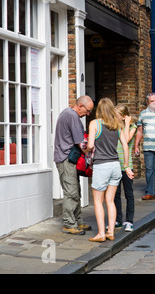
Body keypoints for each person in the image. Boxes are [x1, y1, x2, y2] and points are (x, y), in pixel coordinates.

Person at [86, 98, 134, 242]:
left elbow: (90, 145)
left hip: (102, 165)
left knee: (98, 201)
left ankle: (101, 233)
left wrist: (85, 149)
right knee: (110, 201)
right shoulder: (117, 125)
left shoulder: (94, 124)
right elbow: (125, 146)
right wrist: (126, 166)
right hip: (115, 165)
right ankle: (111, 232)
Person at [54, 95, 94, 235]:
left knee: (75, 190)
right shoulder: (72, 116)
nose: (88, 114)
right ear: (81, 106)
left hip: (66, 158)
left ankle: (77, 220)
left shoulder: (67, 113)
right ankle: (69, 224)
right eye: (87, 110)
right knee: (71, 192)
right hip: (65, 159)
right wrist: (92, 148)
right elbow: (82, 144)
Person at [114, 104, 137, 232]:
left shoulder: (132, 126)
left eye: (117, 115)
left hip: (127, 165)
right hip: (115, 164)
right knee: (115, 194)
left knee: (129, 194)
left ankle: (129, 221)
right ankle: (118, 220)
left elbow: (126, 140)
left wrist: (127, 124)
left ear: (123, 117)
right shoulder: (115, 127)